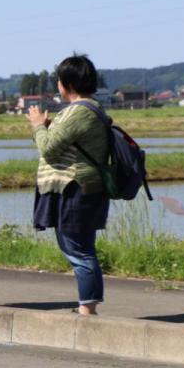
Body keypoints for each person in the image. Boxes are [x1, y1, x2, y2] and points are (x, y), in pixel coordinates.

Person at [28, 54, 109, 316]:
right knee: (78, 247)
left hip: (75, 188)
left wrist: (39, 126)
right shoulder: (88, 109)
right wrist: (49, 127)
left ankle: (88, 307)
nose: (57, 86)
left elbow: (48, 149)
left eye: (59, 81)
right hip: (79, 188)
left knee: (78, 249)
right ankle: (88, 304)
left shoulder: (78, 111)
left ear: (67, 83)